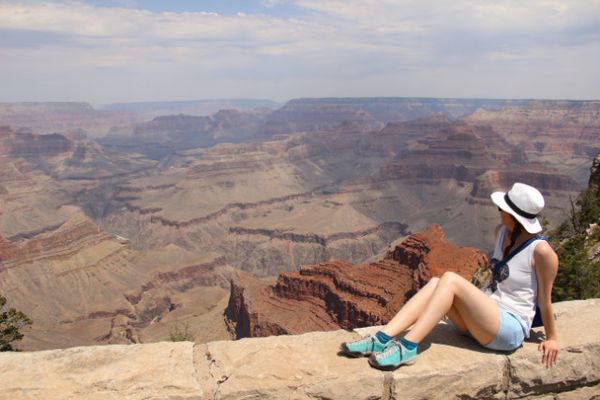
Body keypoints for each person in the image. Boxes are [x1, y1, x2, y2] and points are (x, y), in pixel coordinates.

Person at [340, 182, 559, 370]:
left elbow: (544, 300)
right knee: (436, 282)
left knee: (450, 280)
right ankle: (382, 339)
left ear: (514, 216)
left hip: (508, 329)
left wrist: (552, 339)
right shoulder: (502, 234)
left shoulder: (542, 252)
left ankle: (407, 348)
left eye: (501, 209)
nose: (498, 212)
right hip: (481, 321)